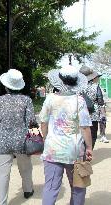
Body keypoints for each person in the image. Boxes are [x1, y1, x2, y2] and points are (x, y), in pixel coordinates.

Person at [40, 65, 93, 205]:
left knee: (50, 188)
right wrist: (89, 148)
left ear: (60, 81)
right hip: (74, 151)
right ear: (76, 82)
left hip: (52, 149)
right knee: (78, 187)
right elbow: (85, 127)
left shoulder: (50, 98)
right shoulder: (79, 100)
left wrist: (46, 139)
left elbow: (43, 123)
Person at [0, 69, 36, 205]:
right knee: (26, 168)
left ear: (6, 86)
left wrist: (1, 135)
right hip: (22, 141)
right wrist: (35, 140)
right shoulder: (26, 100)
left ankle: (2, 202)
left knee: (2, 173)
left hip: (3, 141)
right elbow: (31, 122)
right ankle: (28, 190)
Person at [80, 67, 106, 148]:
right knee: (93, 135)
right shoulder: (95, 86)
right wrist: (103, 114)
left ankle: (81, 154)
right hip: (93, 114)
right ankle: (88, 153)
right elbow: (100, 101)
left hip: (80, 114)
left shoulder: (77, 87)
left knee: (81, 135)